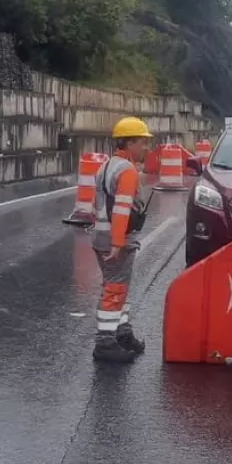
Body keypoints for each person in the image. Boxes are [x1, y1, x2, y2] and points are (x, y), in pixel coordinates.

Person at [90, 116, 155, 363]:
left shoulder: (106, 166)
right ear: (129, 143)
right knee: (115, 290)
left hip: (101, 237)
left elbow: (95, 205)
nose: (146, 148)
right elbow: (121, 209)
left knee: (117, 288)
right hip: (118, 241)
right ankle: (105, 343)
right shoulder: (127, 171)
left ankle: (123, 333)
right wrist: (118, 243)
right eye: (142, 142)